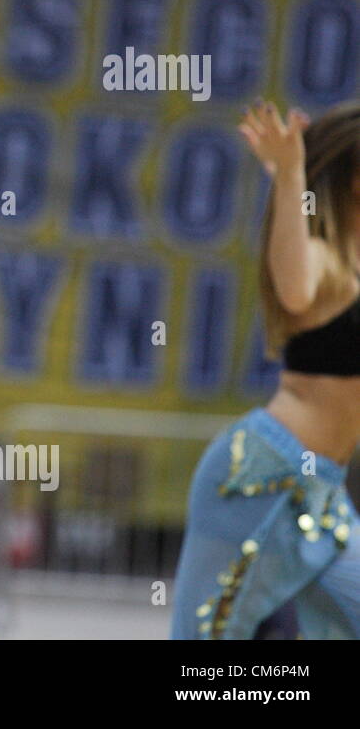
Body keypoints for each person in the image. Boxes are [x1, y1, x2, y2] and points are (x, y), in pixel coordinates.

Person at [171, 100, 360, 639]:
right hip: (261, 477)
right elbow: (295, 288)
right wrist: (291, 177)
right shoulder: (327, 263)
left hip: (325, 496)